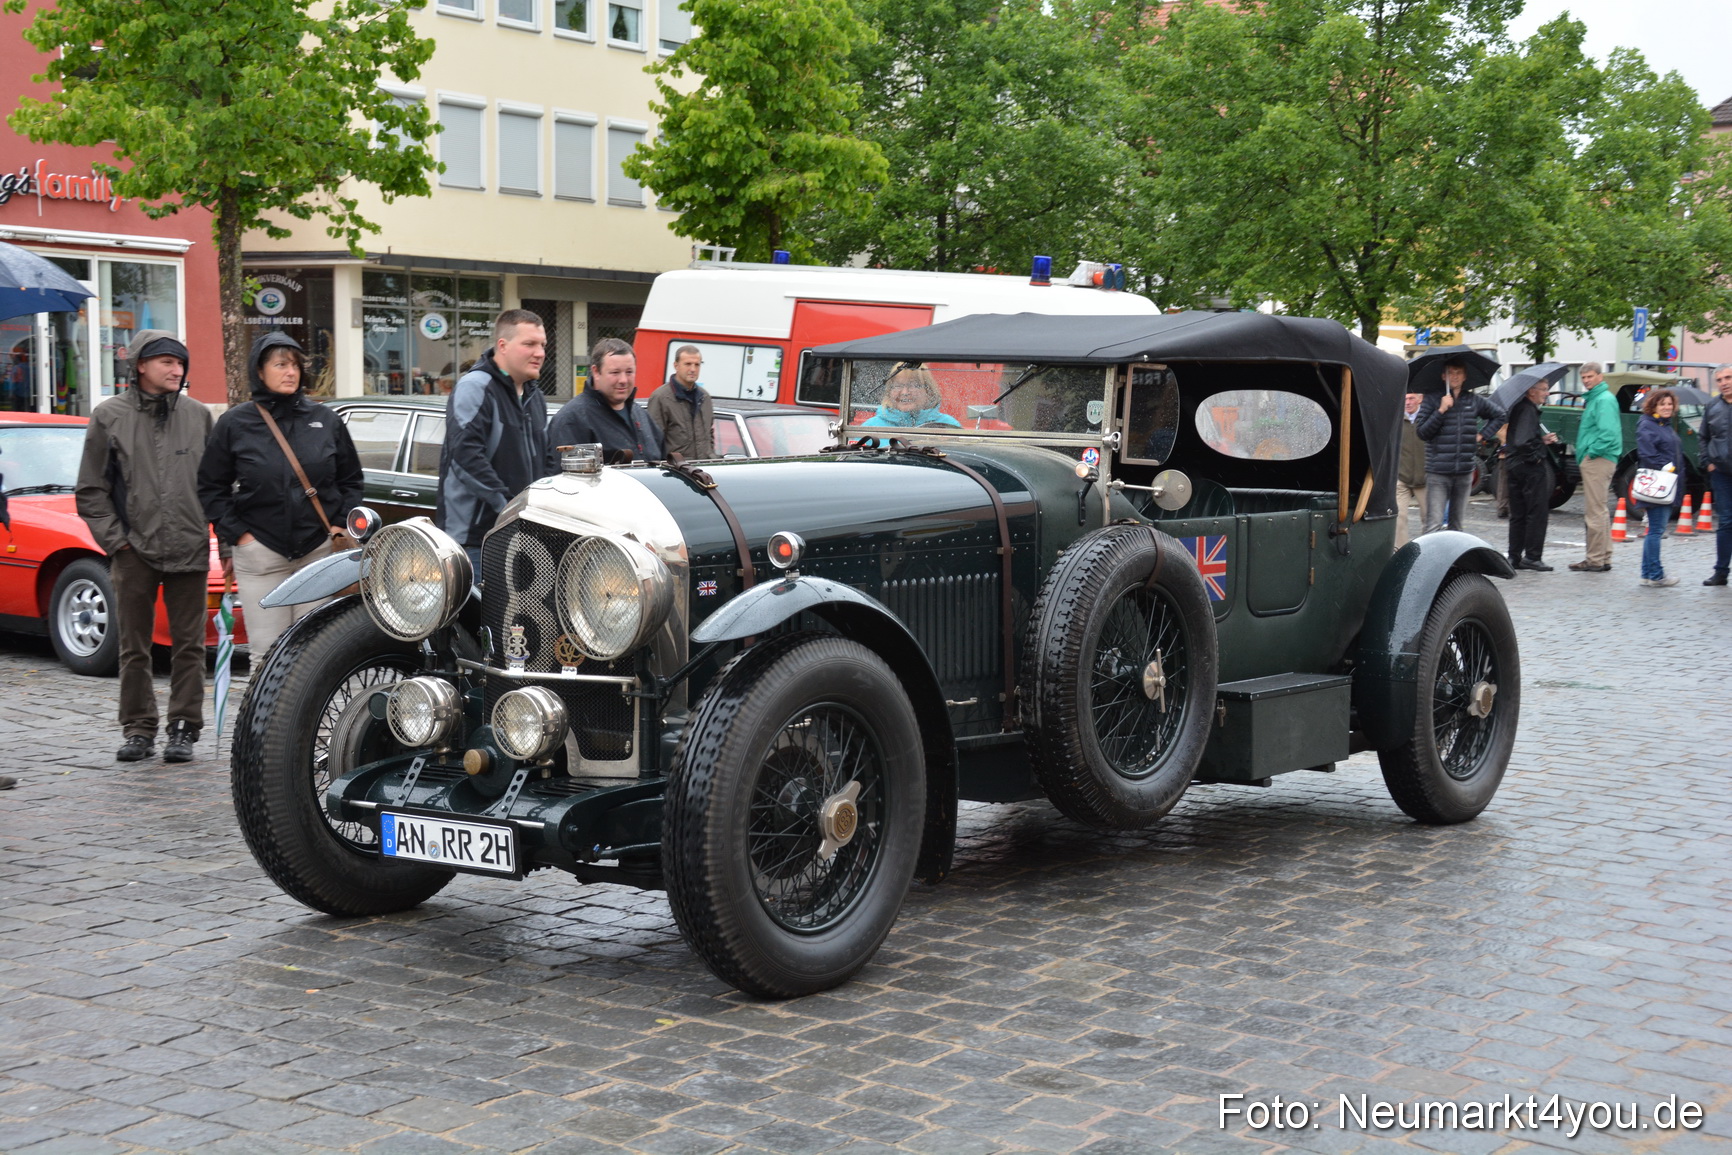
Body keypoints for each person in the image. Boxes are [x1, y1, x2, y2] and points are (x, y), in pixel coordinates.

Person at [75, 330, 214, 764]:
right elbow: (90, 490)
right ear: (140, 365)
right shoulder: (108, 416)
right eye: (167, 363)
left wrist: (216, 537)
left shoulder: (199, 415)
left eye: (180, 363)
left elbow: (217, 484)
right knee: (133, 646)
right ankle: (138, 728)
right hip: (133, 550)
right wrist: (119, 542)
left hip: (189, 548)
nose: (176, 370)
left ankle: (184, 729)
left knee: (189, 646)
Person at [198, 333, 364, 656]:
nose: (291, 372)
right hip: (260, 554)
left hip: (317, 553)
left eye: (295, 366)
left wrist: (341, 524)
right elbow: (210, 486)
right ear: (259, 371)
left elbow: (351, 480)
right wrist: (240, 536)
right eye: (280, 365)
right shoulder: (236, 423)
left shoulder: (325, 420)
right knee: (267, 656)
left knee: (312, 657)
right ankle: (263, 709)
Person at [435, 309, 554, 573]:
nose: (540, 353)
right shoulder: (474, 387)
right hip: (476, 541)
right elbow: (464, 457)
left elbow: (546, 460)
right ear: (503, 345)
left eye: (542, 345)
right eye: (529, 344)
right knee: (478, 616)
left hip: (524, 535)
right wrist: (508, 506)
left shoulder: (536, 397)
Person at [1415, 361, 1505, 533]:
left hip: (1464, 471)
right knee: (1433, 524)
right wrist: (1440, 410)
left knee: (1457, 526)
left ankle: (1454, 560)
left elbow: (1500, 415)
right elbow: (1422, 433)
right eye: (1450, 372)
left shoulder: (1473, 401)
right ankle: (1430, 559)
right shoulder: (1432, 399)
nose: (1454, 376)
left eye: (1458, 372)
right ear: (1443, 376)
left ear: (1465, 377)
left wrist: (1482, 435)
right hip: (1438, 471)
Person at [548, 337, 665, 467]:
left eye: (629, 372)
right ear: (596, 372)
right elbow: (565, 480)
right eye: (615, 372)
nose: (623, 380)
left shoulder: (641, 414)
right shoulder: (572, 420)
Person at [1500, 379, 1560, 571]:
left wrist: (1541, 440)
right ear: (1531, 392)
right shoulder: (1528, 410)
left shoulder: (1520, 408)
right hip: (1528, 468)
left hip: (1514, 465)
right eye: (1543, 389)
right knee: (1536, 512)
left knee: (1518, 513)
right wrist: (1536, 456)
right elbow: (1522, 441)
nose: (1547, 393)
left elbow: (1521, 438)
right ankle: (1533, 556)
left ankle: (1514, 556)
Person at [1569, 362, 1620, 573]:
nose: (1586, 380)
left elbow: (1607, 433)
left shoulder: (1602, 399)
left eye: (1590, 376)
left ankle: (1595, 559)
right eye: (1584, 377)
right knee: (1600, 509)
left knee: (1594, 511)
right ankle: (1604, 556)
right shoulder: (1598, 398)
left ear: (1600, 376)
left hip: (1598, 459)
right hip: (1599, 457)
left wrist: (1591, 453)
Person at [1634, 389, 1685, 588]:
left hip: (1666, 482)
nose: (1667, 407)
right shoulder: (1648, 424)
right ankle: (1656, 575)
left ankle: (1647, 574)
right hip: (1659, 483)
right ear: (1653, 405)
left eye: (1669, 404)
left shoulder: (1663, 424)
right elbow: (1647, 453)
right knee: (1656, 530)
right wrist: (1668, 466)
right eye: (1662, 404)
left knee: (1654, 530)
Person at [646, 344, 715, 462]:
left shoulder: (705, 397)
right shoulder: (661, 398)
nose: (693, 369)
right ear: (676, 365)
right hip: (676, 473)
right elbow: (652, 441)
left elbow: (710, 435)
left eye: (697, 365)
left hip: (704, 469)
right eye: (688, 364)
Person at [1701, 362, 1732, 586]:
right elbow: (1703, 437)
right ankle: (1721, 572)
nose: (1724, 383)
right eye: (1720, 380)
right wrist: (1707, 461)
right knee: (1725, 522)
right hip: (1721, 472)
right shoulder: (1712, 406)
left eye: (1728, 378)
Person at [861, 363, 962, 429]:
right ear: (889, 392)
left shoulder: (949, 426)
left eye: (913, 385)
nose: (905, 392)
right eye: (897, 386)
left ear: (928, 391)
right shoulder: (870, 428)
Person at [1395, 392, 1428, 547]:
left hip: (1425, 478)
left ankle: (1428, 552)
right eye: (1405, 398)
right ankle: (1399, 553)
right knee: (1398, 518)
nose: (1408, 402)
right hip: (1402, 477)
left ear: (1420, 399)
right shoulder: (1396, 420)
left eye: (1412, 398)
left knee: (1428, 519)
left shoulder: (1428, 418)